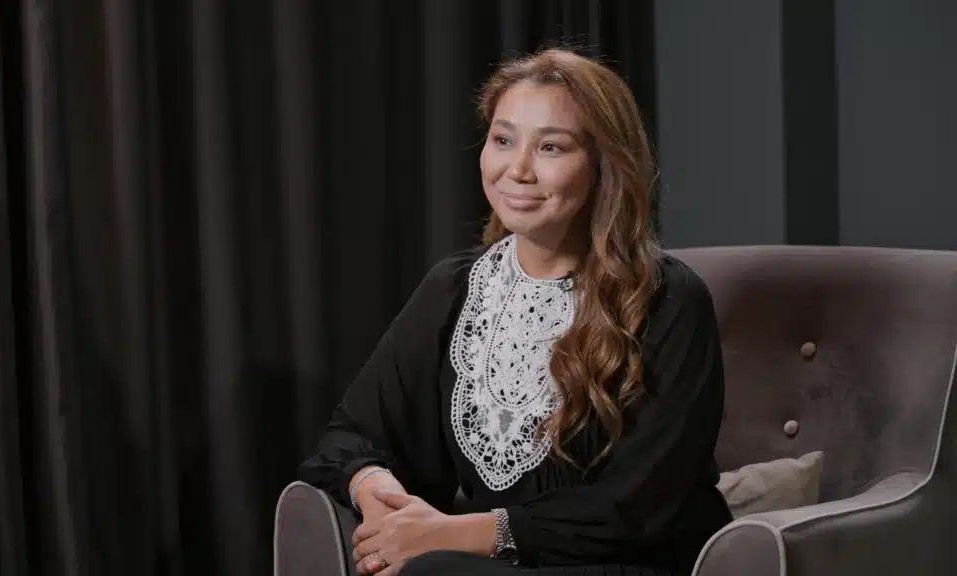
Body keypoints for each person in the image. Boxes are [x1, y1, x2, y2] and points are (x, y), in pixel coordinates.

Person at [294, 48, 731, 575]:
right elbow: (349, 436)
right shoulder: (454, 289)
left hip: (634, 562)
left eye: (551, 147)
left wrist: (453, 534)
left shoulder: (669, 299)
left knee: (429, 571)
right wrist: (378, 493)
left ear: (603, 166)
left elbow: (639, 506)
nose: (517, 170)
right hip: (493, 566)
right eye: (503, 140)